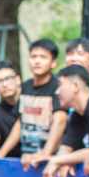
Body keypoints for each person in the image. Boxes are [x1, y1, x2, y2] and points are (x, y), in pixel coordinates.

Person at [18, 38, 64, 168]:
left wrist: (45, 153)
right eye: (33, 57)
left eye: (43, 57)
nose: (37, 61)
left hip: (50, 160)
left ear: (53, 63)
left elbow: (60, 121)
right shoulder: (25, 86)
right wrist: (1, 152)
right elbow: (19, 122)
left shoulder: (58, 87)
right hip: (26, 157)